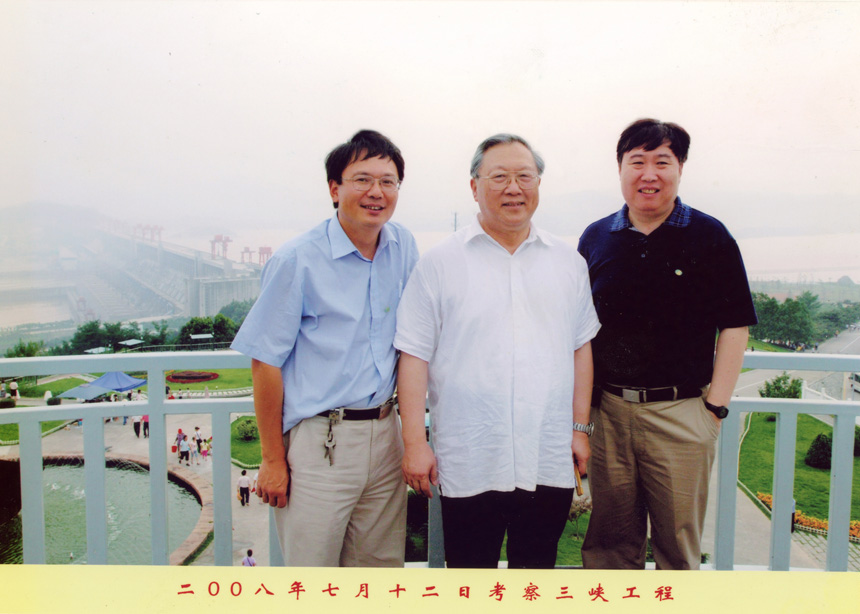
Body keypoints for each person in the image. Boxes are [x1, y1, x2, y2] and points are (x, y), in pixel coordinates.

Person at [395, 134, 600, 569]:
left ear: (538, 184)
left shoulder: (568, 263)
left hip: (547, 453)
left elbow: (581, 347)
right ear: (474, 187)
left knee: (536, 575)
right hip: (470, 457)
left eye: (525, 176)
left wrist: (579, 429)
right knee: (470, 576)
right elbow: (413, 355)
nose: (514, 188)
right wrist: (415, 442)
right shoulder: (440, 263)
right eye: (499, 177)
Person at [230, 130, 418, 567]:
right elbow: (265, 363)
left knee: (379, 571)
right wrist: (272, 460)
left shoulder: (402, 246)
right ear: (335, 189)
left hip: (385, 436)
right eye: (362, 180)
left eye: (388, 182)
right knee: (312, 574)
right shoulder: (297, 259)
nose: (376, 192)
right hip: (320, 443)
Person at [577, 118, 757, 570]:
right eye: (637, 162)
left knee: (677, 549)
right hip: (609, 413)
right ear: (620, 168)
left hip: (682, 414)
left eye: (662, 162)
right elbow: (578, 330)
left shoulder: (710, 236)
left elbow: (735, 326)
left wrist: (714, 409)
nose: (649, 174)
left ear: (680, 169)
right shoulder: (596, 238)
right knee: (608, 546)